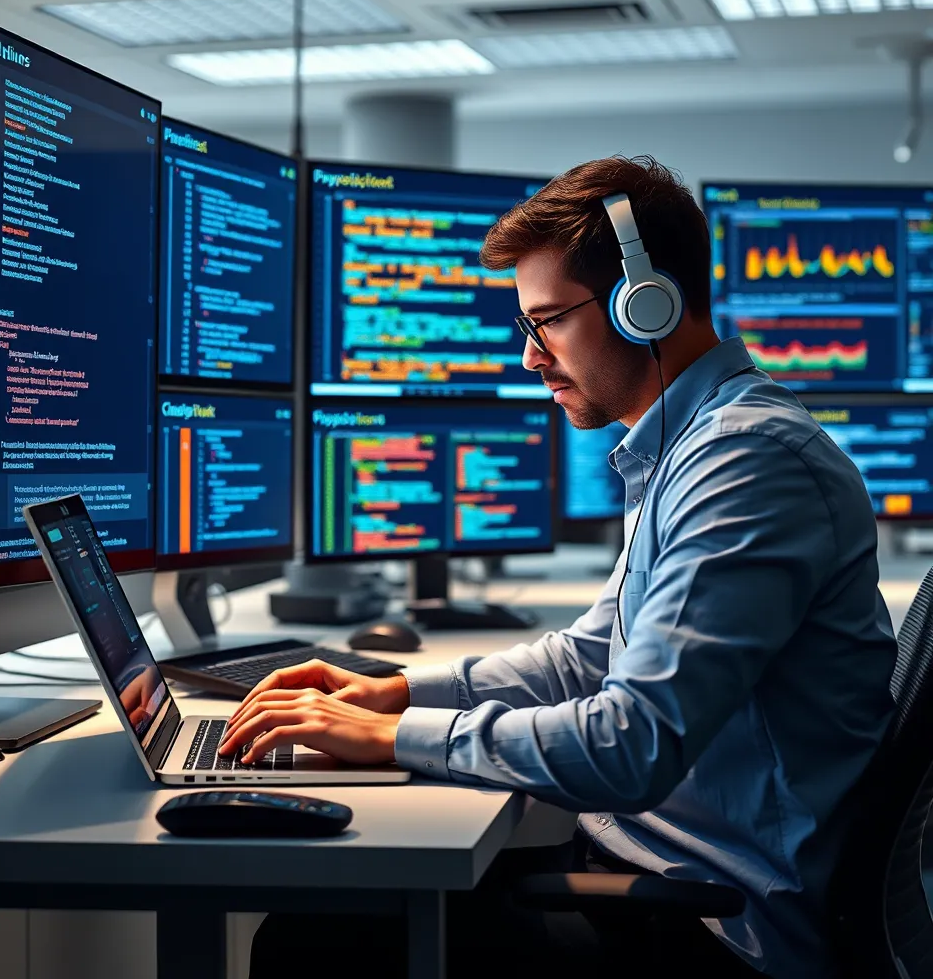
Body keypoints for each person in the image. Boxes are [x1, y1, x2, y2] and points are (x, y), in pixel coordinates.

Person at [220, 155, 897, 978]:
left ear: (646, 305)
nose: (532, 357)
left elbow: (634, 744)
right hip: (656, 877)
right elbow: (587, 656)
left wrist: (395, 737)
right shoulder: (686, 448)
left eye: (549, 322)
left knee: (311, 939)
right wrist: (393, 692)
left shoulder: (746, 463)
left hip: (716, 929)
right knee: (340, 903)